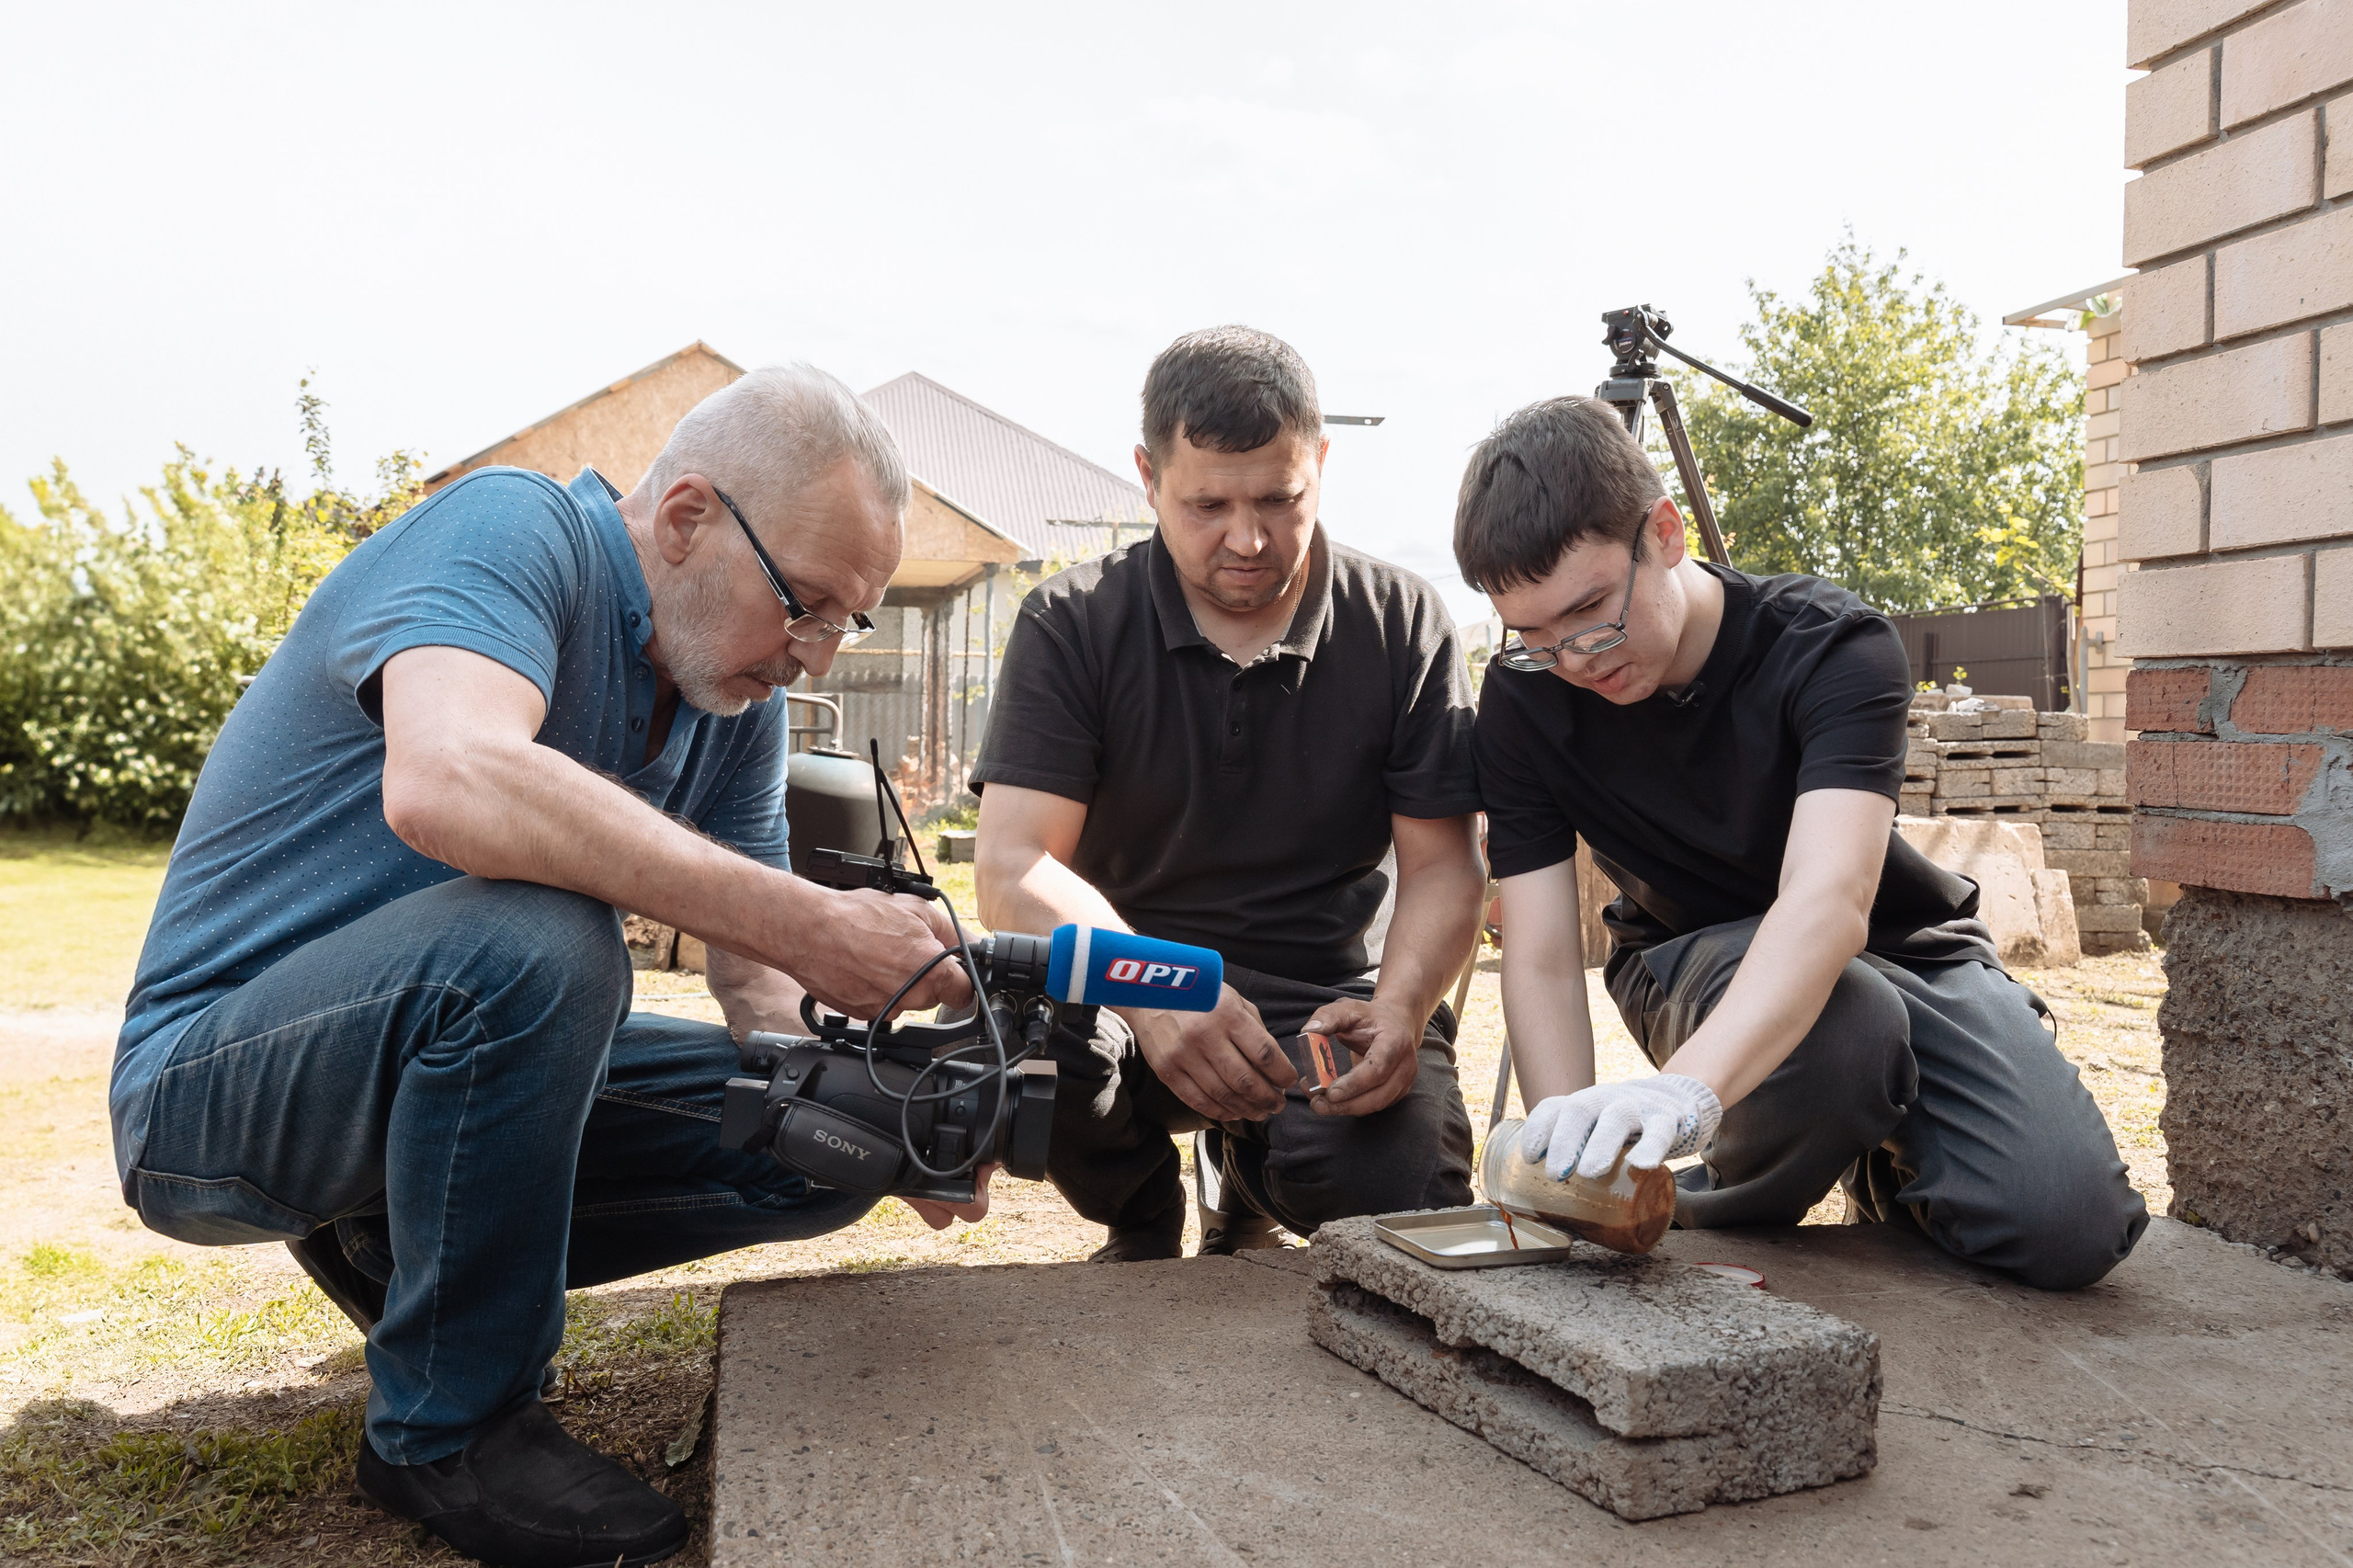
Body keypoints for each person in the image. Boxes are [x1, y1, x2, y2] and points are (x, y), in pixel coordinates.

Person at [109, 365, 982, 1568]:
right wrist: (815, 922)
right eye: (807, 605)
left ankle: (401, 1254)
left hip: (415, 1074)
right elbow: (448, 777)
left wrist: (866, 1090)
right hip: (209, 1091)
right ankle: (447, 1427)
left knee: (825, 1131)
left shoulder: (731, 704)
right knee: (541, 943)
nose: (819, 655)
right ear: (687, 519)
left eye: (848, 621)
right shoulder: (506, 530)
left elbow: (758, 988)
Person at [1457, 395, 2148, 1291]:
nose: (1575, 659)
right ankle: (1731, 1185)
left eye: (1590, 611)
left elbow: (1827, 904)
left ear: (1663, 533)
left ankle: (1879, 1153)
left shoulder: (1830, 647)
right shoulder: (1522, 700)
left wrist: (1686, 1092)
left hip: (1908, 951)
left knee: (2068, 1223)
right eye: (1534, 637)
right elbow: (1544, 953)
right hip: (1690, 955)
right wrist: (1563, 1165)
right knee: (1847, 1022)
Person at [972, 326, 1485, 1262]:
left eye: (1279, 499)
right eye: (1207, 504)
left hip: (1325, 999)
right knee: (1017, 1056)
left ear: (1321, 463)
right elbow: (1012, 867)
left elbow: (1445, 864)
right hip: (1125, 995)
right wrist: (1157, 984)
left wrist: (1404, 1009)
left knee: (1401, 1193)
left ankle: (1246, 1177)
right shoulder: (1070, 622)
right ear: (1147, 473)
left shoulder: (1405, 621)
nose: (1247, 539)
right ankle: (1137, 1206)